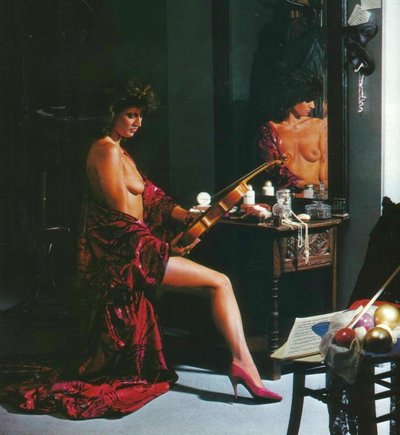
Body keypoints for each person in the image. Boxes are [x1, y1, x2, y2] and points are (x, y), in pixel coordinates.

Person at [0, 78, 281, 420]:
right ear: (111, 114)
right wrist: (163, 249)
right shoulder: (104, 151)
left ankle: (242, 363)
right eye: (130, 114)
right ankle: (243, 365)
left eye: (141, 115)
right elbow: (119, 221)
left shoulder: (122, 152)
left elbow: (153, 199)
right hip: (122, 259)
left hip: (138, 250)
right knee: (220, 283)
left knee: (218, 283)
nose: (138, 122)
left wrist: (188, 216)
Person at [257, 69, 327, 192]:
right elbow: (273, 169)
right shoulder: (270, 130)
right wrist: (303, 185)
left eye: (313, 100)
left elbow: (326, 170)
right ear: (293, 97)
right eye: (307, 100)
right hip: (285, 197)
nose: (312, 105)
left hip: (315, 197)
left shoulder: (319, 126)